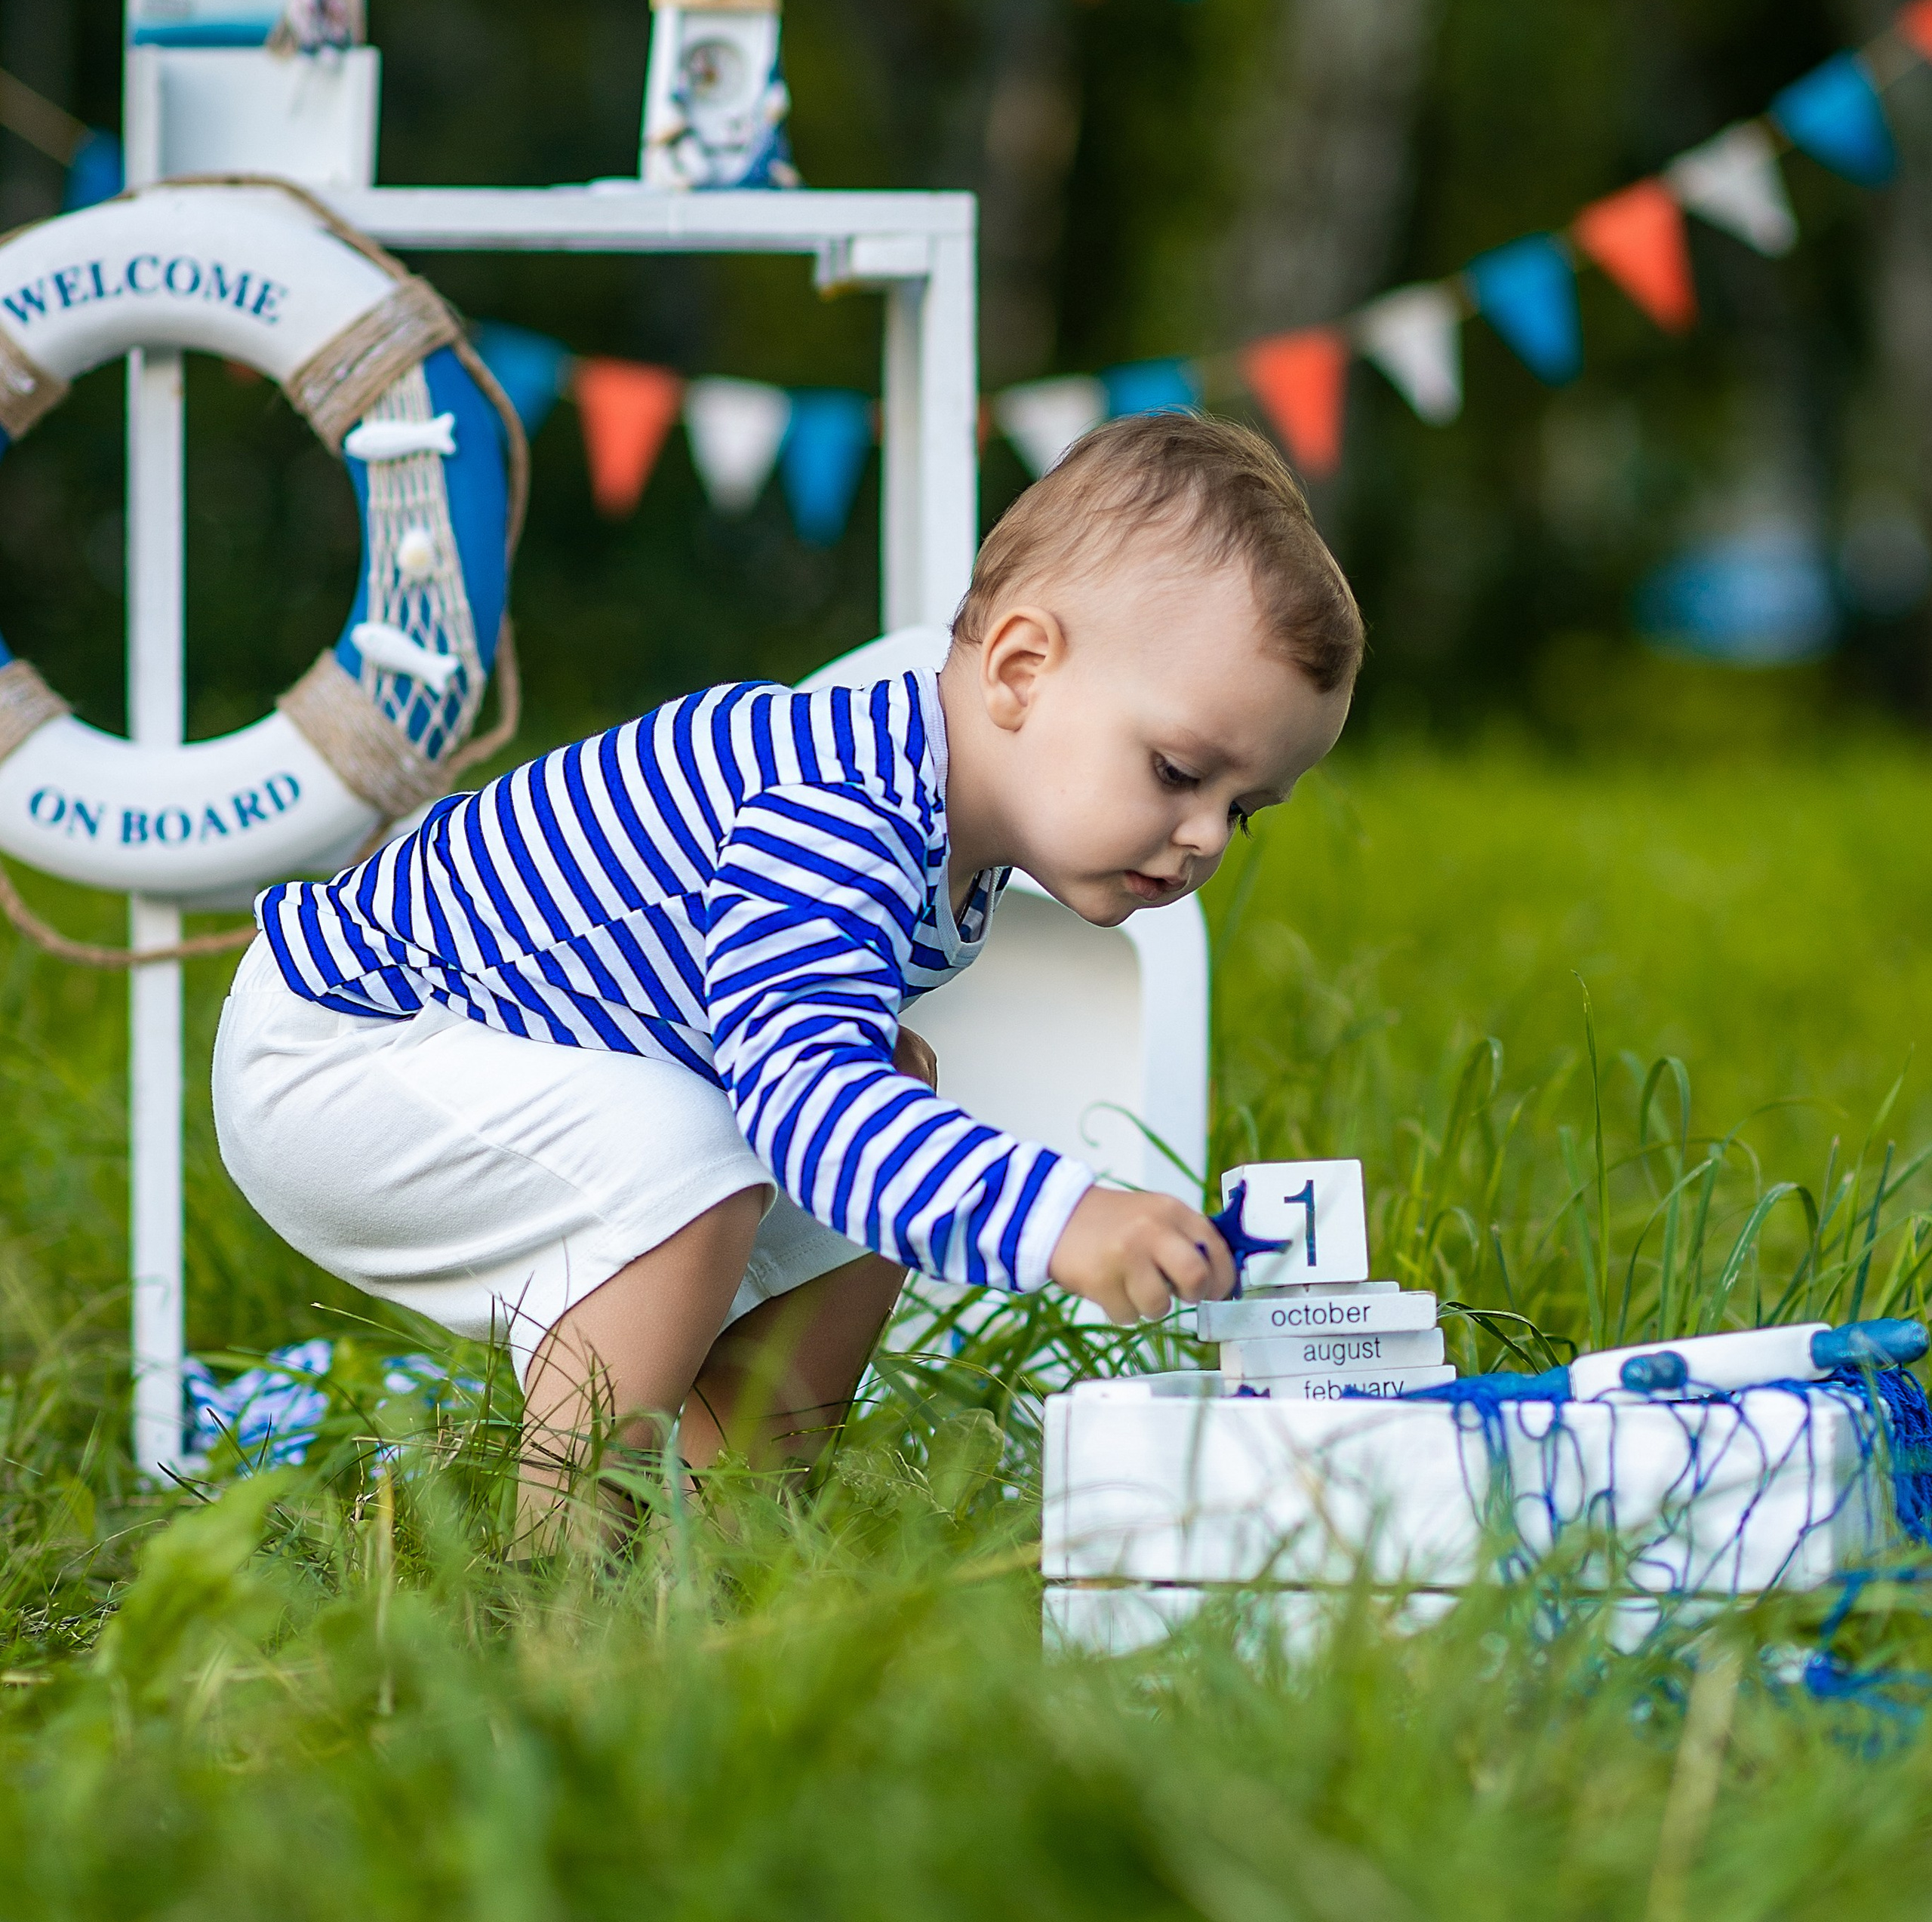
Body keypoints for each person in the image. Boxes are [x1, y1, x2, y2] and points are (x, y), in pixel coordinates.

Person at [212, 411, 1362, 1522]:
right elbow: (804, 1096)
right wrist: (1064, 1217)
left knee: (879, 1120)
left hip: (479, 1041)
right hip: (346, 1043)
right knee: (704, 1154)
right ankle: (554, 1580)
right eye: (1176, 771)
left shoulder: (938, 822)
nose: (1207, 834)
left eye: (1243, 810)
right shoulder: (839, 807)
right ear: (1020, 669)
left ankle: (730, 1537)